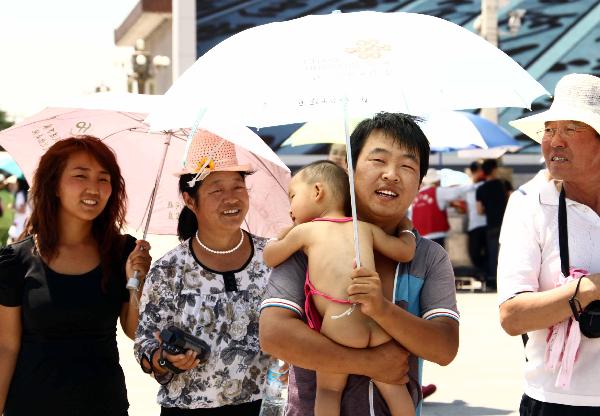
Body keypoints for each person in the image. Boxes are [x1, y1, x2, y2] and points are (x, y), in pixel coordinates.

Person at [259, 112, 460, 416]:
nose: (391, 174)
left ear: (419, 185)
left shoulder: (429, 256)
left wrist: (382, 309)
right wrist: (371, 363)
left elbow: (444, 348)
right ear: (349, 170)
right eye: (378, 161)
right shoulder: (310, 245)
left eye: (406, 166)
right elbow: (275, 336)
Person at [0, 136, 152, 415]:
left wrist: (136, 283)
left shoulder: (123, 253)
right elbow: (6, 346)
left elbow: (135, 331)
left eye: (103, 179)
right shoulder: (16, 260)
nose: (93, 188)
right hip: (31, 405)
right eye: (80, 176)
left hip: (103, 405)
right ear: (54, 185)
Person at [134, 130, 272, 415]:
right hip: (189, 409)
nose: (231, 198)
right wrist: (165, 360)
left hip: (262, 407)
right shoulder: (169, 269)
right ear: (190, 199)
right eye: (217, 190)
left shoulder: (272, 257)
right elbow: (145, 343)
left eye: (238, 186)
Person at [263, 160, 416, 416]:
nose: (290, 209)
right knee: (395, 389)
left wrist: (283, 233)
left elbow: (270, 257)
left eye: (292, 197)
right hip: (377, 318)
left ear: (317, 192)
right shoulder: (365, 229)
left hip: (341, 320)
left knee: (329, 392)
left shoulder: (305, 231)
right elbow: (405, 252)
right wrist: (406, 228)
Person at [498, 73, 600, 415]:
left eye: (571, 129)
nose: (554, 141)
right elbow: (512, 317)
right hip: (557, 402)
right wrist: (590, 289)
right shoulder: (529, 202)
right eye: (549, 130)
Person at [411, 168, 468, 248]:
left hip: (419, 237)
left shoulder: (416, 195)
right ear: (437, 181)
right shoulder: (438, 191)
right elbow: (458, 192)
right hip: (436, 235)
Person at [476, 159, 511, 289]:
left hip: (491, 225)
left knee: (492, 253)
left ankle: (492, 281)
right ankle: (507, 282)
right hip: (506, 224)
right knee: (507, 253)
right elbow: (512, 201)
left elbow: (479, 210)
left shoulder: (480, 188)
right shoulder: (504, 183)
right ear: (495, 169)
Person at [465, 161, 488, 274]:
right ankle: (482, 274)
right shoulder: (467, 187)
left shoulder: (485, 185)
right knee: (474, 254)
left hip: (485, 224)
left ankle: (486, 276)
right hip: (473, 225)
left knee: (487, 253)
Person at [0, 174, 15, 247]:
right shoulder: (10, 195)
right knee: (4, 243)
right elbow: (13, 208)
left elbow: (2, 208)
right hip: (8, 222)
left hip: (1, 222)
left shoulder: (1, 194)